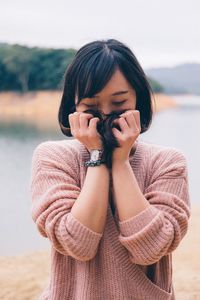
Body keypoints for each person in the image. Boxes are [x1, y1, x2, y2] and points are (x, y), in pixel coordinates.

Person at [30, 39, 191, 300]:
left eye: (119, 105)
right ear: (73, 108)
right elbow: (77, 243)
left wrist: (120, 160)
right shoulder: (53, 158)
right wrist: (97, 155)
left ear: (138, 98)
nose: (106, 116)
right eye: (91, 108)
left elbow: (151, 249)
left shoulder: (168, 162)